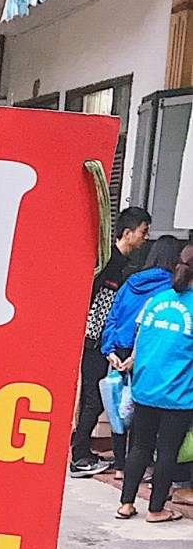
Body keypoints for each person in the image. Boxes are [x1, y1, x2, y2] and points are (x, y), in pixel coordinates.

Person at [115, 241, 193, 523]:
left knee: (140, 447)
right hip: (177, 394)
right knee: (167, 452)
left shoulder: (156, 301)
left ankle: (126, 504)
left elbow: (139, 342)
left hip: (145, 389)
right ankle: (156, 509)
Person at [70, 205, 150, 477]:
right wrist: (101, 343)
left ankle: (81, 449)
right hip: (93, 343)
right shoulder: (109, 264)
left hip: (98, 343)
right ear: (128, 233)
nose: (145, 237)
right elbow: (98, 306)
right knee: (94, 399)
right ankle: (79, 456)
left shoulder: (119, 264)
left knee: (93, 398)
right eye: (143, 231)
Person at [100, 233, 183, 474]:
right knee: (140, 409)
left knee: (117, 407)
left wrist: (110, 350)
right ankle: (140, 465)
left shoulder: (132, 281)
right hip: (144, 352)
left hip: (118, 350)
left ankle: (120, 465)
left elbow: (113, 316)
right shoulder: (171, 289)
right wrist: (135, 357)